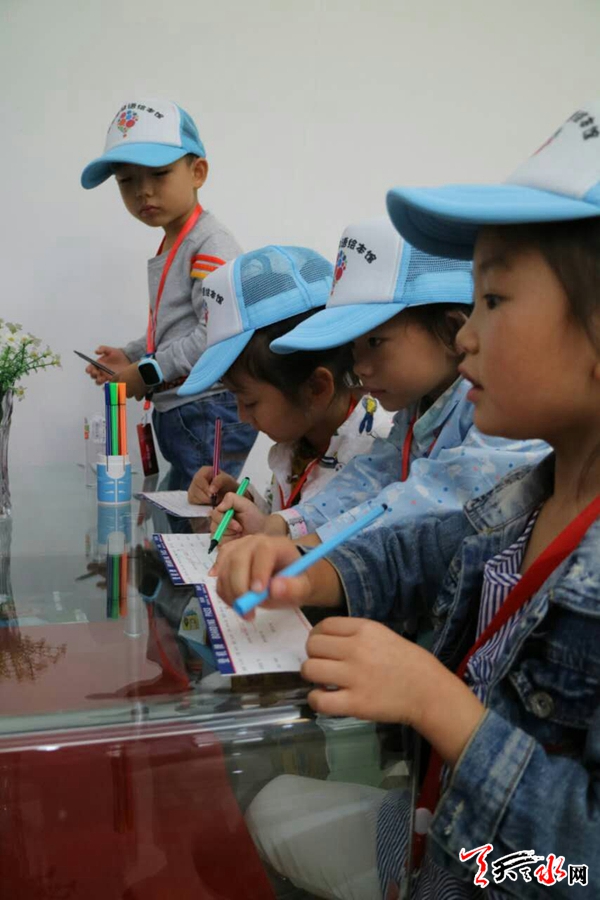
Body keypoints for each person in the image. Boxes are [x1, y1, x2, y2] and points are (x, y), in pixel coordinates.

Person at [213, 103, 600, 899]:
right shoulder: (532, 496)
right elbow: (424, 547)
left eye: (493, 300)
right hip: (442, 837)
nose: (466, 335)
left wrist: (438, 705)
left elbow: (583, 863)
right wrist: (312, 569)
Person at [210, 216, 546, 546]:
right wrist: (280, 526)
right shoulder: (417, 410)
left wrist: (301, 549)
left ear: (451, 330)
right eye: (354, 347)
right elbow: (371, 478)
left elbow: (430, 498)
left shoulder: (500, 409)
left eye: (375, 342)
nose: (360, 367)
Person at [81, 98, 257, 488]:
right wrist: (132, 353)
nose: (143, 192)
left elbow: (216, 333)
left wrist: (148, 372)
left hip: (208, 408)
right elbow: (179, 325)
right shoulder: (177, 242)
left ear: (198, 172)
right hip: (190, 408)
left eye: (159, 174)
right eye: (126, 181)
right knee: (179, 505)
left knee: (199, 511)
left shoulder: (210, 245)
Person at [180, 244, 393, 525]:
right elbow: (288, 517)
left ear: (316, 389)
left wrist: (268, 531)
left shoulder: (376, 456)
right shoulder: (300, 441)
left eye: (250, 401)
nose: (242, 415)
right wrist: (245, 502)